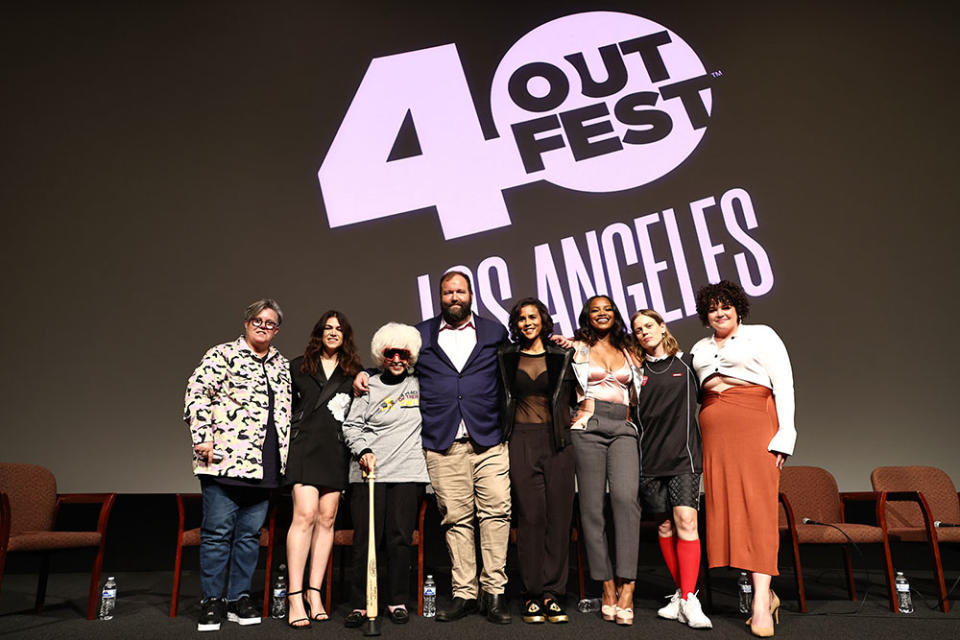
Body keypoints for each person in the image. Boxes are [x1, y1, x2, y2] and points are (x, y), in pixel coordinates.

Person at [354, 270, 511, 623]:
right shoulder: (420, 334)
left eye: (460, 291)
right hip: (443, 444)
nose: (454, 297)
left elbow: (518, 368)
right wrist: (365, 371)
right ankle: (465, 593)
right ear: (439, 297)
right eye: (447, 293)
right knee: (456, 520)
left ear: (471, 294)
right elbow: (395, 364)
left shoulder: (495, 332)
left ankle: (495, 593)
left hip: (488, 439)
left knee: (496, 514)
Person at [690, 281, 796, 638]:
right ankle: (763, 594)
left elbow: (784, 384)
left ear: (738, 308)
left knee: (758, 510)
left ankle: (761, 602)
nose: (719, 313)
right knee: (728, 510)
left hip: (755, 423)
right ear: (705, 315)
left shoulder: (762, 335)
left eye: (726, 307)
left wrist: (786, 433)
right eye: (712, 309)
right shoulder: (699, 347)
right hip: (715, 431)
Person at [183, 299, 291, 632]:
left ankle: (238, 597)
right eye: (257, 320)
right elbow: (197, 392)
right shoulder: (221, 354)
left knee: (248, 537)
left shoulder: (281, 364)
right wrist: (202, 435)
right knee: (217, 535)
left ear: (277, 330)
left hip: (265, 465)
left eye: (270, 323)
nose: (263, 326)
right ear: (246, 323)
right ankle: (212, 600)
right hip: (224, 462)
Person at [341, 323, 430, 628]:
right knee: (367, 539)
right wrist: (363, 449)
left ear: (411, 356)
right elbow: (351, 425)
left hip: (407, 473)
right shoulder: (367, 385)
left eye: (402, 353)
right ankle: (361, 603)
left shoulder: (420, 385)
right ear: (381, 355)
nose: (396, 359)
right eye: (389, 353)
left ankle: (397, 600)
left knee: (399, 539)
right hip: (369, 474)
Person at [630, 309, 712, 629]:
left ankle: (690, 600)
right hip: (648, 461)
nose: (644, 332)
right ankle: (682, 592)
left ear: (662, 327)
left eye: (649, 326)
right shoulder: (635, 371)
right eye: (638, 330)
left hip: (684, 459)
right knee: (664, 528)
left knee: (686, 522)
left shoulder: (688, 364)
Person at [497, 298, 576, 624]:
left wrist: (576, 345)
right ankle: (531, 593)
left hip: (557, 441)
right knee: (530, 518)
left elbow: (588, 387)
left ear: (543, 320)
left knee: (559, 518)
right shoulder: (505, 357)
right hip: (521, 441)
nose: (527, 322)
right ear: (515, 325)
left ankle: (552, 594)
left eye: (532, 316)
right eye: (520, 318)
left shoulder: (563, 355)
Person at [568, 295, 643, 626]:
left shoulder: (630, 350)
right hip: (588, 425)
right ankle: (608, 586)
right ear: (588, 316)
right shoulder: (577, 348)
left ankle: (629, 586)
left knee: (627, 500)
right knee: (592, 508)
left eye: (607, 309)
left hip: (624, 426)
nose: (602, 314)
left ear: (615, 315)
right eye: (595, 310)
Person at [283, 311, 361, 628]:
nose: (333, 333)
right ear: (319, 333)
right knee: (305, 515)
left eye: (338, 328)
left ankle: (314, 593)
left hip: (336, 451)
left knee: (327, 519)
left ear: (346, 336)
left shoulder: (353, 372)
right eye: (327, 328)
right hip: (304, 449)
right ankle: (294, 595)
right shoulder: (298, 366)